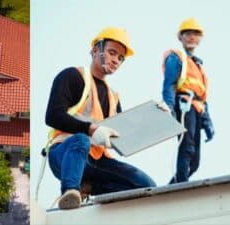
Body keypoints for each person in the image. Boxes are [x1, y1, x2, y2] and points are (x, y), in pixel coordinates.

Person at [45, 27, 156, 210]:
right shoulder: (73, 77)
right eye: (112, 53)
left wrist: (157, 117)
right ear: (96, 50)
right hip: (66, 154)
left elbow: (126, 137)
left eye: (121, 58)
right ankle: (70, 193)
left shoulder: (114, 97)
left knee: (145, 185)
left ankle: (88, 187)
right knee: (80, 140)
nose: (116, 60)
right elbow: (53, 116)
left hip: (97, 161)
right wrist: (91, 129)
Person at [162, 18, 214, 184]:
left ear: (200, 38)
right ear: (180, 37)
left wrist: (208, 123)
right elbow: (169, 84)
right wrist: (169, 108)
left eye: (196, 34)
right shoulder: (176, 58)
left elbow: (202, 98)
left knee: (195, 161)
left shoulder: (198, 65)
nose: (192, 37)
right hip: (184, 106)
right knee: (187, 148)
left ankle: (173, 187)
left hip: (197, 108)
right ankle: (181, 187)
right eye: (188, 33)